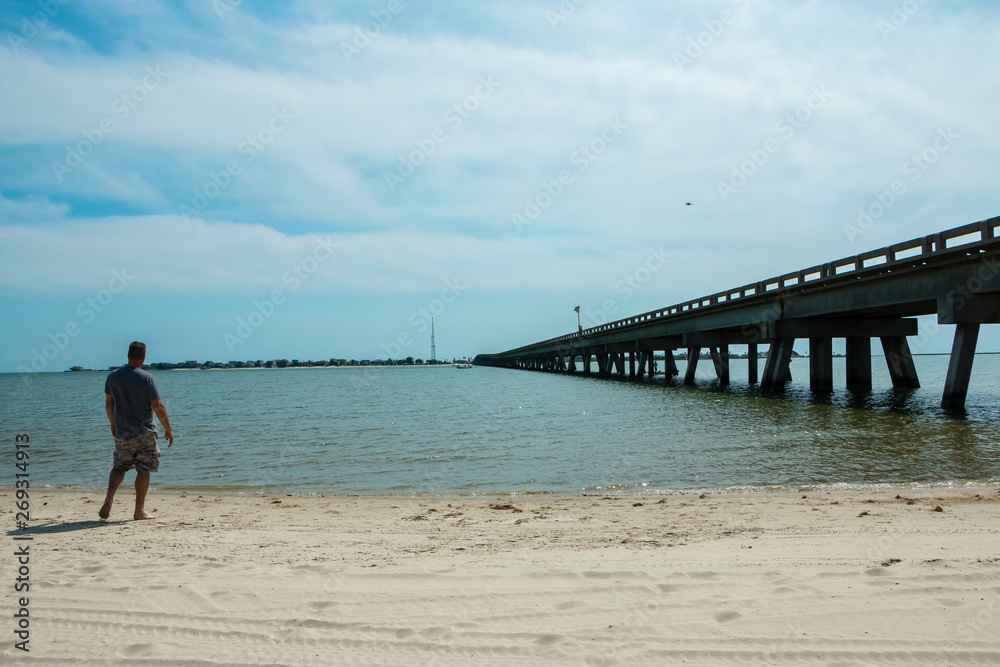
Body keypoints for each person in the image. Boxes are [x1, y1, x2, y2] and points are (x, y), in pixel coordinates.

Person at [101, 341, 174, 520]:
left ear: (128, 355)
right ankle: (139, 511)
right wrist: (168, 429)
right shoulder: (147, 378)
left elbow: (109, 404)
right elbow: (158, 406)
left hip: (122, 432)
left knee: (119, 466)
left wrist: (112, 423)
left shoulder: (113, 377)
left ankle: (109, 498)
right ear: (144, 356)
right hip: (144, 432)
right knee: (144, 469)